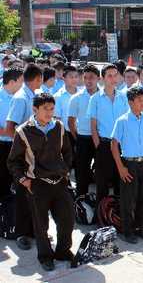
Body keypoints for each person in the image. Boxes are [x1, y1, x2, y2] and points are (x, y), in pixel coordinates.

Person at [8, 93, 75, 272]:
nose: (49, 112)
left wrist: (66, 170)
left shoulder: (59, 126)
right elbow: (13, 161)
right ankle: (45, 257)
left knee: (67, 219)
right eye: (45, 109)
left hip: (60, 182)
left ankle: (62, 251)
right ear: (35, 109)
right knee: (41, 224)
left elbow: (67, 151)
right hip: (38, 184)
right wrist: (24, 180)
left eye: (52, 108)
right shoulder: (23, 131)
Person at [111, 86, 143, 244]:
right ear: (130, 102)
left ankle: (141, 227)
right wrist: (120, 167)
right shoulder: (122, 121)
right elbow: (114, 145)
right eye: (139, 100)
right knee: (128, 199)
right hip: (129, 164)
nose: (142, 103)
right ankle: (128, 231)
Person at [5, 63, 43, 251]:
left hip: (34, 156)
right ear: (37, 78)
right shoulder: (21, 98)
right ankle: (21, 234)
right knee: (22, 195)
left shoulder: (34, 96)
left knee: (34, 194)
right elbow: (10, 128)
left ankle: (34, 230)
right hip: (22, 156)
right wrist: (23, 147)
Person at [87, 64, 129, 206]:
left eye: (115, 75)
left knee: (121, 181)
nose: (113, 78)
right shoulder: (95, 99)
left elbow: (127, 121)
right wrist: (98, 145)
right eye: (109, 75)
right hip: (104, 145)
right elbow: (93, 126)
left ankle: (119, 216)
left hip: (121, 144)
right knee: (102, 183)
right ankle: (101, 219)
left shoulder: (123, 97)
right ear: (102, 79)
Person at [68, 64, 100, 196]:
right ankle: (81, 200)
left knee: (101, 171)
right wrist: (78, 138)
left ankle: (102, 202)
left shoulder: (104, 96)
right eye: (85, 78)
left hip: (100, 139)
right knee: (81, 171)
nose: (88, 81)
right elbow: (71, 122)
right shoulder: (76, 98)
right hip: (83, 139)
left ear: (98, 78)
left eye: (91, 77)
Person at [0, 67, 24, 197]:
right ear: (12, 82)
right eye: (21, 81)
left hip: (17, 144)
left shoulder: (20, 98)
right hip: (2, 145)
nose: (23, 84)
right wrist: (9, 133)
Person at [54, 65, 79, 172]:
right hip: (66, 134)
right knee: (66, 161)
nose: (74, 79)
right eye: (71, 77)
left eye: (76, 76)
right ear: (64, 78)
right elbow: (57, 119)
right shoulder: (58, 96)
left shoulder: (82, 93)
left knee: (81, 161)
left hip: (82, 132)